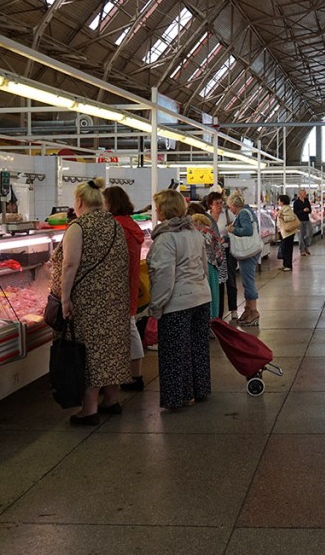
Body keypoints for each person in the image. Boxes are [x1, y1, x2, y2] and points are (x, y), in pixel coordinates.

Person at [50, 178, 130, 425]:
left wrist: (64, 299)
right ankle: (112, 400)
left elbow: (70, 264)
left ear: (80, 201)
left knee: (88, 352)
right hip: (114, 298)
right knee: (111, 348)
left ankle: (89, 409)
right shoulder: (115, 225)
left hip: (87, 301)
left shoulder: (78, 227)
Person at [146, 189, 212, 410]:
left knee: (175, 352)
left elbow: (164, 277)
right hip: (201, 297)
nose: (156, 211)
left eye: (157, 207)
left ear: (164, 209)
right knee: (197, 348)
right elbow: (203, 266)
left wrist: (156, 307)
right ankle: (199, 389)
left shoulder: (165, 238)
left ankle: (178, 397)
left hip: (178, 302)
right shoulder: (194, 232)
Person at [103, 185, 146, 392]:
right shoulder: (130, 224)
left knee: (127, 329)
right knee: (130, 327)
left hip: (115, 286)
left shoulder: (115, 226)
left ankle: (128, 377)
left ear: (110, 203)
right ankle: (134, 374)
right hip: (129, 281)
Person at [226, 192, 261, 326]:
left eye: (230, 207)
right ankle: (247, 309)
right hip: (250, 251)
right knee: (247, 281)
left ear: (234, 205)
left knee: (248, 282)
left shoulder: (243, 213)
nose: (230, 210)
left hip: (248, 252)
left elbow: (247, 231)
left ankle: (253, 311)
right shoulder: (248, 211)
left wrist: (232, 229)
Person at [203, 192, 233, 322]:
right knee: (214, 286)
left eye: (221, 203)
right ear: (210, 205)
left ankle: (225, 313)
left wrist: (227, 237)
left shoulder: (227, 215)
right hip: (211, 257)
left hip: (225, 253)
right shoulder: (206, 218)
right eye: (217, 203)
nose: (220, 206)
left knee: (226, 284)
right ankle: (214, 317)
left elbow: (235, 231)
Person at [190, 210, 223, 320]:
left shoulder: (197, 236)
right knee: (213, 296)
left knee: (204, 298)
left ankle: (205, 321)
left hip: (202, 268)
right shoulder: (212, 234)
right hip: (213, 268)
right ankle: (214, 320)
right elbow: (220, 256)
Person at [275, 194, 298, 271]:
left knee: (288, 249)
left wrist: (283, 217)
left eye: (279, 200)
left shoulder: (287, 209)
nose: (278, 202)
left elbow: (292, 217)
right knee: (284, 248)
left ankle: (288, 265)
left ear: (282, 201)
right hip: (284, 232)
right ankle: (285, 264)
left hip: (288, 232)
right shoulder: (282, 209)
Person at [293, 189, 313, 257]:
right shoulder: (296, 202)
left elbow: (310, 210)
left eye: (305, 193)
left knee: (309, 233)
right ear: (300, 194)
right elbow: (295, 212)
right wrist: (303, 210)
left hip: (307, 219)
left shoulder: (307, 201)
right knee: (300, 235)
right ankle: (302, 250)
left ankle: (306, 246)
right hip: (299, 220)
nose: (305, 194)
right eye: (304, 193)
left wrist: (308, 210)